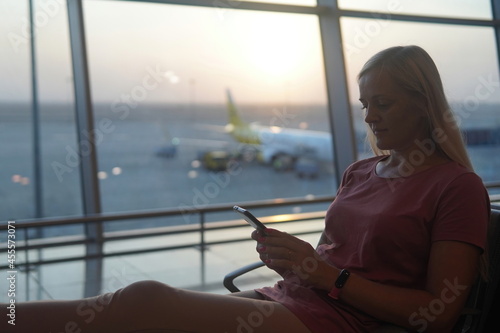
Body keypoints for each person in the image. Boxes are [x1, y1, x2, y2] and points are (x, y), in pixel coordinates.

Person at [1, 45, 490, 333]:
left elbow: (438, 315)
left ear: (425, 105)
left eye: (382, 103)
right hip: (293, 298)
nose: (369, 116)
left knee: (143, 301)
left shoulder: (455, 186)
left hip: (348, 322)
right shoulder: (360, 173)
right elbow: (333, 259)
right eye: (365, 104)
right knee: (139, 312)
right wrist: (291, 258)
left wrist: (323, 274)